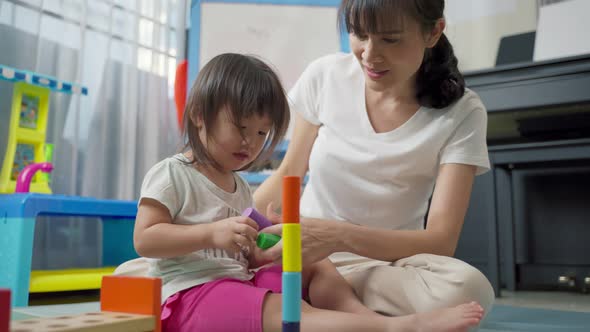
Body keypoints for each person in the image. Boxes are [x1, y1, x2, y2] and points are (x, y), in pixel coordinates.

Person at [127, 52, 484, 332]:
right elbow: (145, 238)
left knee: (315, 262)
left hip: (238, 281)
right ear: (199, 115)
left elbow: (245, 251)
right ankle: (393, 327)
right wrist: (211, 233)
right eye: (241, 128)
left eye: (262, 134)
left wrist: (266, 245)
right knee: (286, 311)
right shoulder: (172, 173)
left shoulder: (235, 183)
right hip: (192, 295)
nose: (250, 143)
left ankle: (359, 317)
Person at [254, 0, 495, 324]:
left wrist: (337, 237)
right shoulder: (325, 76)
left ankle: (325, 297)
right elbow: (289, 174)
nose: (369, 54)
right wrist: (235, 221)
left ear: (433, 32)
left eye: (390, 39)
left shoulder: (463, 112)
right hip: (306, 253)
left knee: (470, 288)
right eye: (359, 34)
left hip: (386, 264)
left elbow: (440, 240)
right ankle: (336, 297)